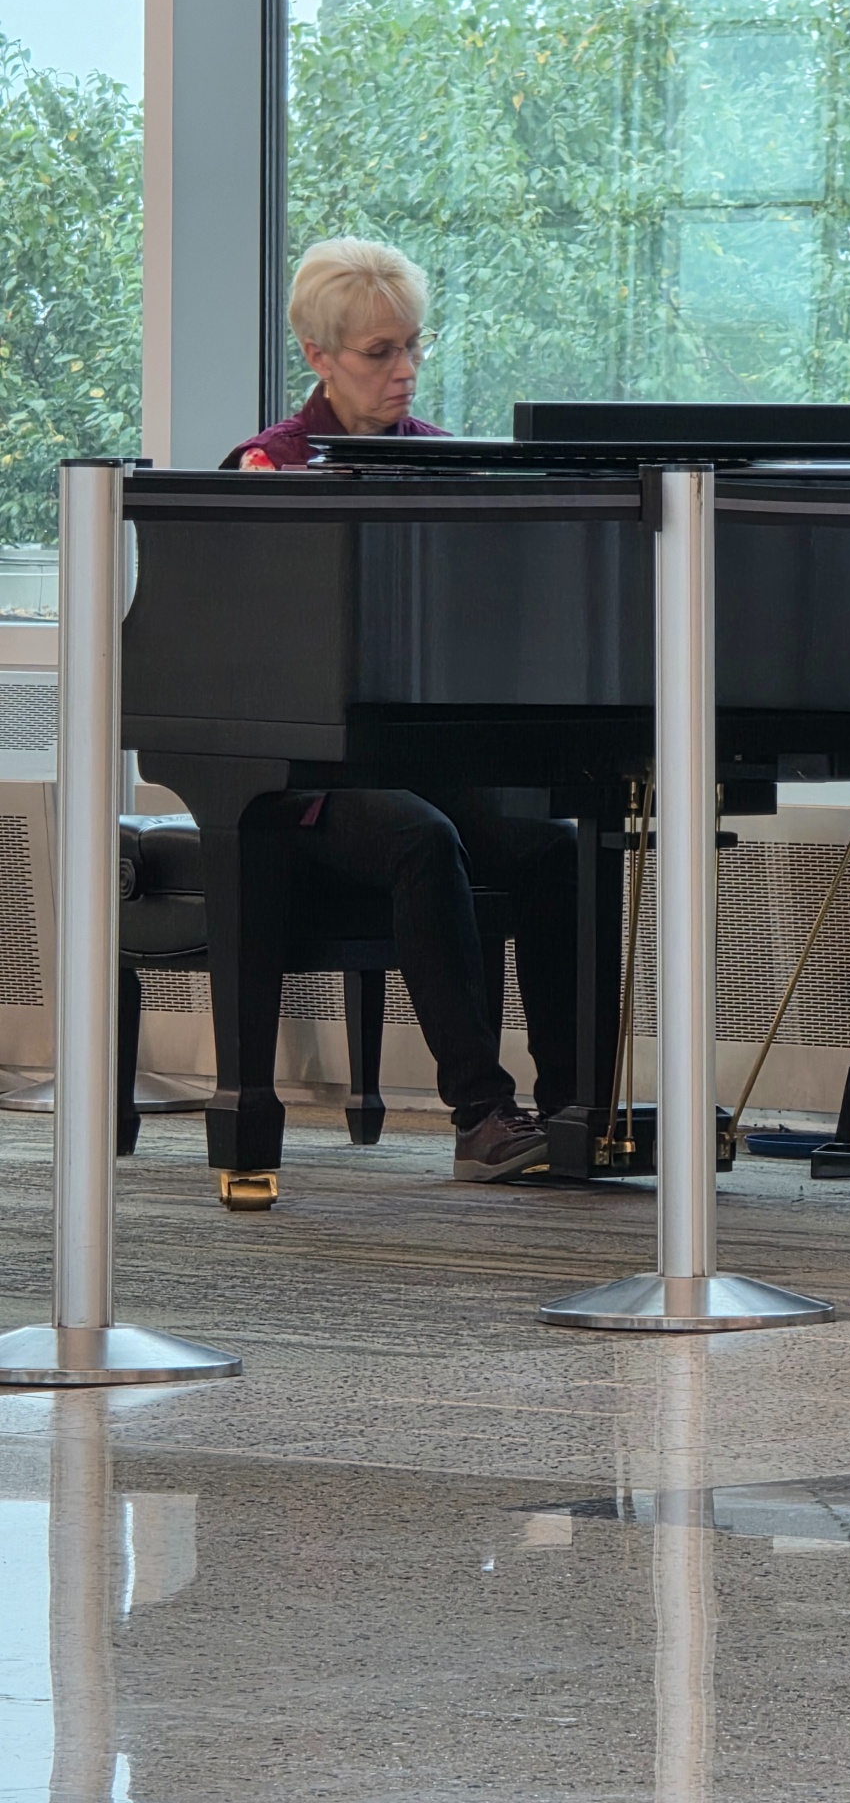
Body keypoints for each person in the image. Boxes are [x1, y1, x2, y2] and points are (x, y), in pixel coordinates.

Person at [225, 237, 576, 1182]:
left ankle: (577, 1106)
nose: (406, 369)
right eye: (380, 352)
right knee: (422, 835)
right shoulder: (268, 468)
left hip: (416, 760)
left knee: (556, 846)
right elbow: (247, 652)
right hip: (304, 779)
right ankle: (482, 1114)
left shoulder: (445, 462)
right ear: (318, 356)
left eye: (414, 345)